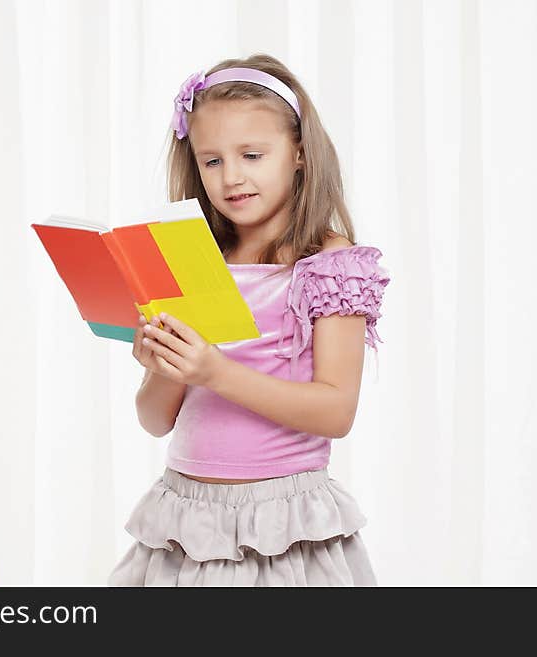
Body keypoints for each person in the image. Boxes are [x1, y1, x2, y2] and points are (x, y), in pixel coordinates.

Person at [108, 53, 390, 586]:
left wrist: (214, 373)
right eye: (211, 161)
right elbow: (154, 420)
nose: (231, 177)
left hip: (281, 526)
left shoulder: (329, 266)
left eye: (253, 154)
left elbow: (336, 411)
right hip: (184, 520)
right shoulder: (192, 260)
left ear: (300, 154)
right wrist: (169, 367)